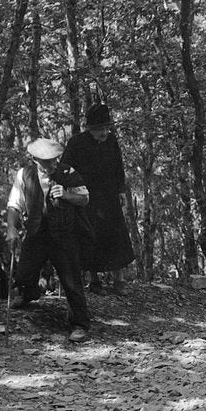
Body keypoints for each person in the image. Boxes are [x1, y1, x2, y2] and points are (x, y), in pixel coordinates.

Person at [5, 138, 93, 342]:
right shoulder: (24, 174)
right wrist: (11, 228)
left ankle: (80, 324)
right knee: (24, 273)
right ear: (36, 160)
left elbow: (85, 199)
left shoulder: (67, 173)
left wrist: (67, 195)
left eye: (55, 159)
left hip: (64, 235)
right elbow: (14, 204)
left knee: (71, 280)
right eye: (48, 161)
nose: (54, 164)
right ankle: (29, 294)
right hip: (36, 233)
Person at [62, 101, 135, 294]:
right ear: (90, 129)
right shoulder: (76, 143)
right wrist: (69, 191)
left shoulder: (111, 141)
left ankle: (119, 280)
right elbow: (65, 169)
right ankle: (94, 281)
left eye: (106, 128)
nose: (103, 132)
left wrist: (121, 191)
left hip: (110, 196)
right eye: (99, 129)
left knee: (116, 235)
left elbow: (119, 168)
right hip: (87, 198)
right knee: (91, 236)